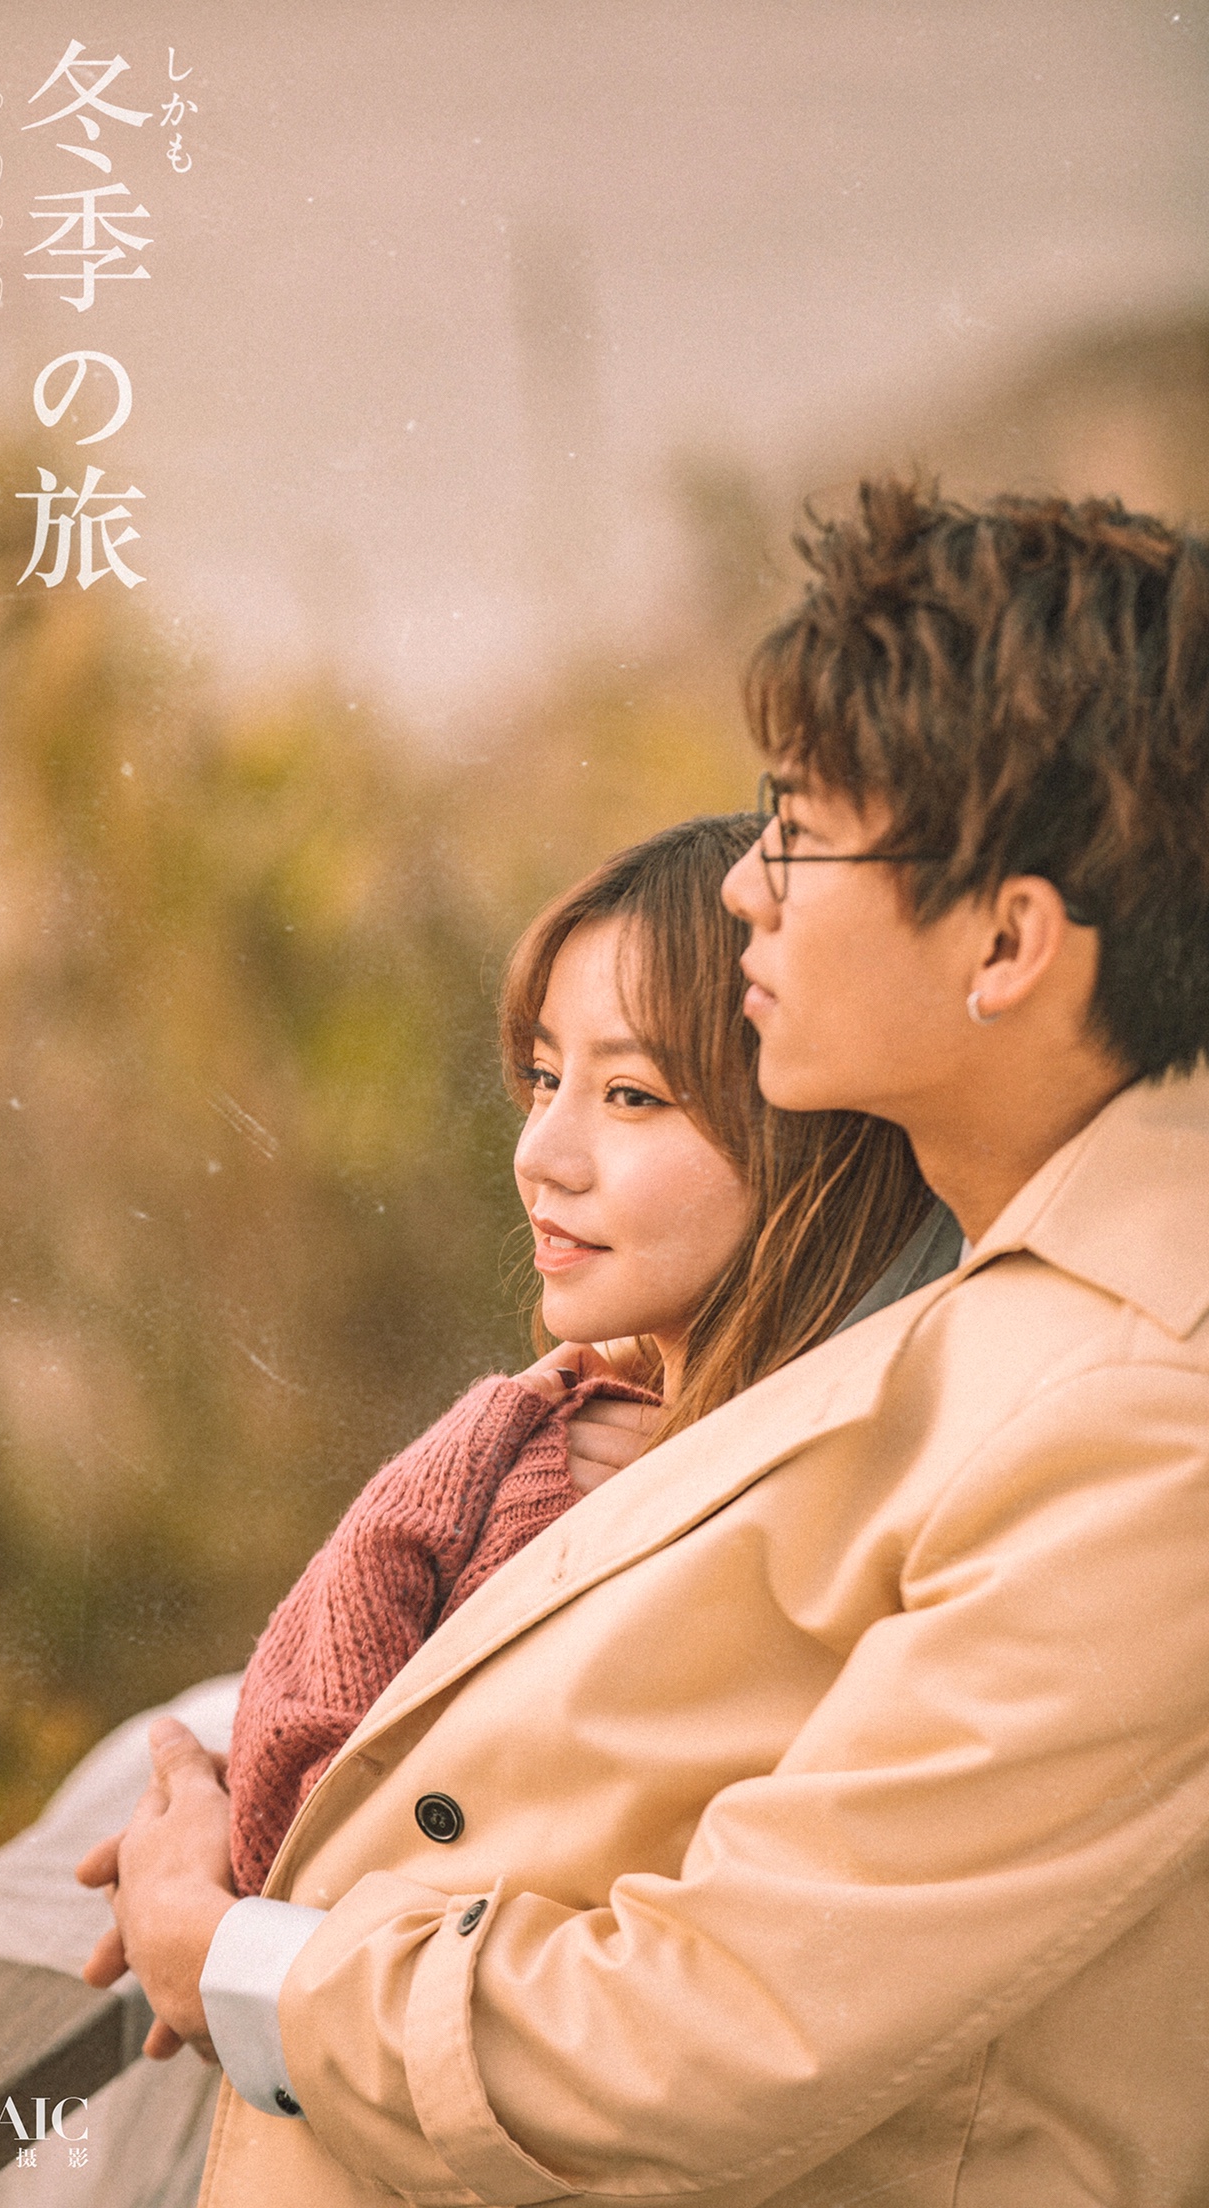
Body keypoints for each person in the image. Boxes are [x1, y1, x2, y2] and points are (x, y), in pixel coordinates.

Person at [81, 483, 1209, 2207]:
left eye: (802, 835)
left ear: (1006, 942)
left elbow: (715, 2025)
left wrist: (231, 1958)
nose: (746, 886)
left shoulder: (1142, 1409)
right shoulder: (1013, 1299)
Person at [223, 812, 940, 1901]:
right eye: (543, 1077)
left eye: (632, 1095)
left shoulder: (804, 1524)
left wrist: (192, 1886)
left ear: (812, 1127)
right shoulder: (559, 1451)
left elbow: (319, 1858)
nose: (540, 1154)